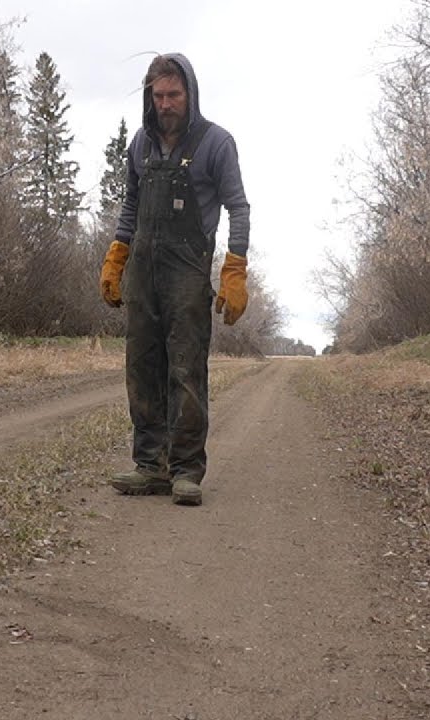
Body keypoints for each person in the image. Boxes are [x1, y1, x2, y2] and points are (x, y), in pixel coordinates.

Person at [98, 53, 251, 507]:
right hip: (143, 270)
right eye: (157, 95)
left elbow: (238, 207)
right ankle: (151, 465)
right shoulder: (140, 145)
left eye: (173, 94)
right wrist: (117, 253)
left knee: (185, 369)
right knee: (142, 367)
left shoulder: (216, 143)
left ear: (190, 94)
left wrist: (235, 267)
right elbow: (130, 205)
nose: (165, 103)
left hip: (187, 270)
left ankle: (186, 470)